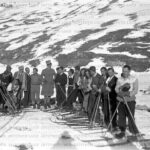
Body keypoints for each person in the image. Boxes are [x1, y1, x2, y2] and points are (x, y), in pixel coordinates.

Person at [115, 65, 139, 139]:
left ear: (129, 71)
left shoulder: (134, 79)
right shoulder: (119, 79)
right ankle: (122, 131)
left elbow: (135, 90)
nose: (124, 72)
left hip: (130, 100)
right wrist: (119, 93)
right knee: (121, 116)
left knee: (130, 116)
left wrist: (128, 93)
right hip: (120, 100)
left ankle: (133, 131)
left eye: (126, 71)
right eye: (123, 71)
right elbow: (116, 88)